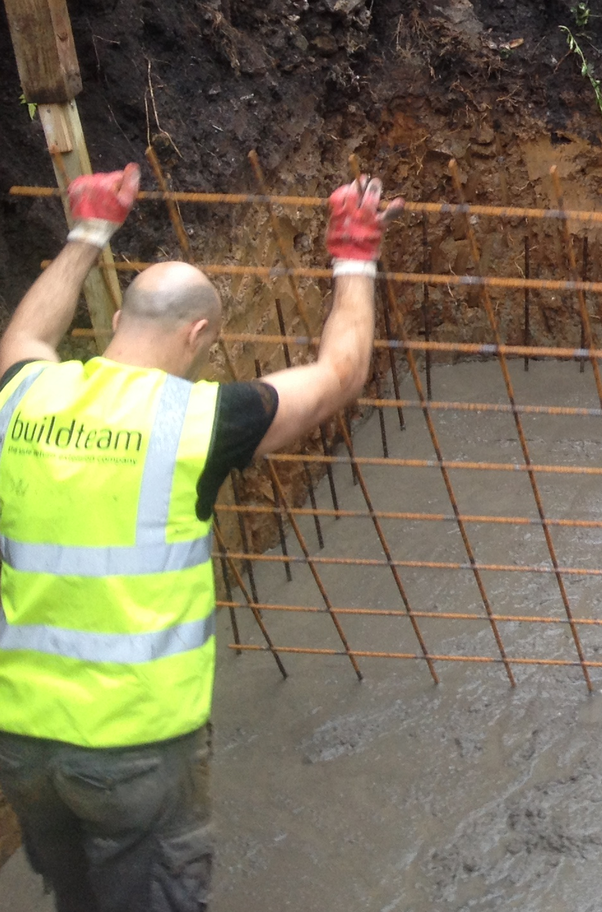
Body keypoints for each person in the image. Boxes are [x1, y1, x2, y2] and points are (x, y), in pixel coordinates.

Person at [0, 164, 401, 911]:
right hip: (135, 753)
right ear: (199, 335)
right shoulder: (198, 424)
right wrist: (354, 254)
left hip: (23, 745)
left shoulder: (25, 395)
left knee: (76, 897)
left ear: (118, 319)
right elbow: (341, 373)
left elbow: (25, 333)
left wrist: (89, 231)